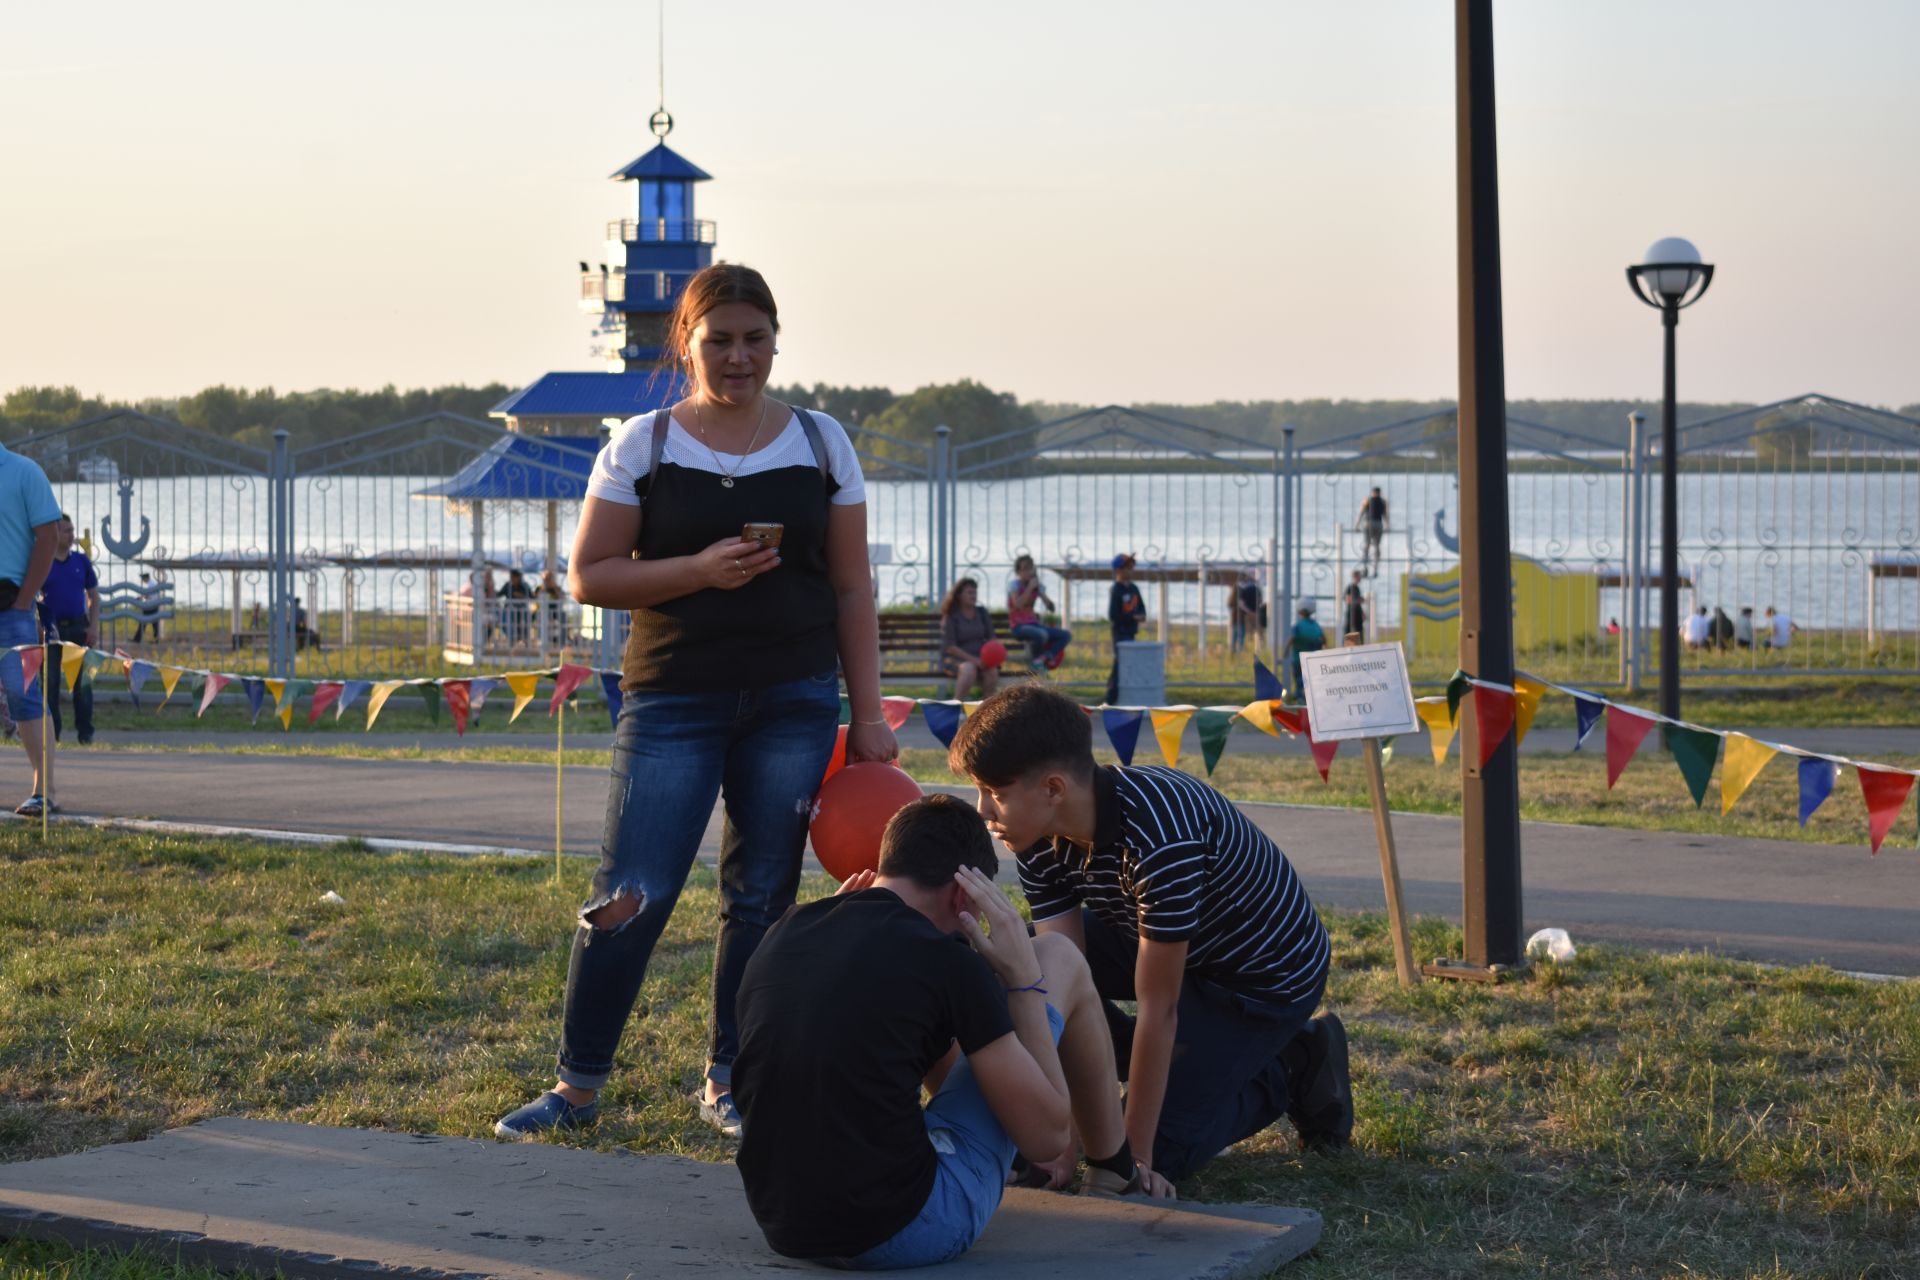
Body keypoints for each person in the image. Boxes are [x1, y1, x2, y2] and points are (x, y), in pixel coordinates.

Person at [495, 262, 896, 1141]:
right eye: (719, 340)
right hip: (673, 699)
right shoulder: (644, 443)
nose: (739, 357)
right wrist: (697, 572)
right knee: (630, 893)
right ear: (688, 342)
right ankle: (576, 1088)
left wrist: (866, 717)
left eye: (755, 339)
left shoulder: (822, 443)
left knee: (761, 898)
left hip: (794, 701)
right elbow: (590, 575)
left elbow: (852, 587)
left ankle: (729, 1079)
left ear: (777, 340)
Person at [733, 796, 1172, 1268]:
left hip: (782, 1222)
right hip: (904, 1228)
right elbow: (1047, 1138)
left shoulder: (787, 929)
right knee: (1057, 958)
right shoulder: (945, 959)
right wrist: (1023, 983)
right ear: (964, 896)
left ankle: (1033, 1158)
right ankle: (1115, 1172)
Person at [949, 685, 1351, 1187]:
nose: (983, 811)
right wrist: (1061, 1140)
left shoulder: (1160, 838)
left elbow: (1159, 1007)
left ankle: (1295, 1063)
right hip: (1167, 941)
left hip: (1260, 978)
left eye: (996, 793)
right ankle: (1156, 1062)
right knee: (1022, 959)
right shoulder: (1035, 833)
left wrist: (1127, 1158)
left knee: (1158, 1154)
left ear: (1053, 789)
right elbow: (1062, 980)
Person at [0, 436, 62, 816]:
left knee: (24, 695)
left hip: (11, 605)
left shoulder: (24, 472)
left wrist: (25, 601)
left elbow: (49, 538)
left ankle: (45, 790)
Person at [36, 514, 97, 745]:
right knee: (50, 685)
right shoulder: (44, 561)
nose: (72, 535)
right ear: (55, 533)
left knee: (82, 685)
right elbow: (35, 595)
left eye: (72, 530)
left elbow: (93, 596)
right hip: (51, 631)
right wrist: (38, 627)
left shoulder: (81, 561)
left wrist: (93, 626)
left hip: (78, 628)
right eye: (66, 531)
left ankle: (85, 734)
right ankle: (54, 735)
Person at [1005, 554, 1071, 671]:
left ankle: (1044, 657)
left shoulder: (1037, 587)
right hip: (1019, 627)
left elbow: (1051, 608)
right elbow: (1017, 605)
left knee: (1065, 635)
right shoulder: (1014, 586)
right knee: (1042, 634)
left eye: (1030, 568)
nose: (1028, 572)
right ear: (1018, 572)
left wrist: (1042, 595)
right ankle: (1035, 660)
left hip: (1034, 625)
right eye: (1024, 569)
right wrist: (1029, 588)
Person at [941, 577, 1000, 700]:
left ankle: (986, 711)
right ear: (959, 596)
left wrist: (990, 658)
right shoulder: (952, 616)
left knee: (992, 672)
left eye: (975, 592)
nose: (973, 596)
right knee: (968, 669)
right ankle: (956, 706)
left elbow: (992, 638)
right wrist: (974, 660)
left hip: (981, 659)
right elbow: (951, 648)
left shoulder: (982, 612)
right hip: (956, 660)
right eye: (969, 593)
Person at [1104, 553, 1145, 704]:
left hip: (1131, 632)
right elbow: (1113, 615)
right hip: (1120, 633)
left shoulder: (1134, 588)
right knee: (1121, 663)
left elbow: (1141, 608)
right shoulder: (1116, 589)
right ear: (1118, 571)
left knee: (1125, 664)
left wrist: (1140, 616)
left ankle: (1116, 695)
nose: (1131, 570)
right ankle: (1111, 697)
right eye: (1127, 567)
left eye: (1131, 567)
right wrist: (1132, 617)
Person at [1280, 600, 1326, 700]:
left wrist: (1286, 650)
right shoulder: (1315, 625)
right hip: (1312, 658)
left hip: (1298, 657)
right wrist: (1325, 650)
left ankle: (1299, 696)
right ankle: (1311, 697)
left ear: (1299, 612)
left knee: (1299, 678)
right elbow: (1323, 638)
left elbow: (1292, 638)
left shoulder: (1298, 626)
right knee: (1312, 678)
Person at [1354, 486, 1388, 576]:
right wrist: (1387, 525)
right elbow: (1385, 515)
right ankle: (1373, 568)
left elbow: (1361, 513)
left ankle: (1367, 568)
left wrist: (1357, 525)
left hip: (1369, 524)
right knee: (1375, 546)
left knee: (1368, 545)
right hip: (1377, 524)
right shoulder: (1382, 501)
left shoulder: (1367, 500)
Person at [500, 567, 539, 646]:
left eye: (514, 577)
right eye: (511, 577)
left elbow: (532, 597)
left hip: (522, 611)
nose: (512, 579)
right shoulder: (508, 586)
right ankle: (512, 640)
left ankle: (524, 640)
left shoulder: (524, 586)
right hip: (509, 611)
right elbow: (499, 594)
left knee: (524, 622)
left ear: (519, 577)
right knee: (507, 621)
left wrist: (522, 596)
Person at [1231, 569, 1263, 653]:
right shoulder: (1257, 589)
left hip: (1246, 615)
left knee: (1242, 635)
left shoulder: (1243, 589)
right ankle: (1258, 650)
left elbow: (1241, 603)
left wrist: (1249, 612)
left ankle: (1237, 652)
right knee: (1257, 633)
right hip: (1255, 613)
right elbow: (1260, 602)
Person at [132, 571, 160, 642]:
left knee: (144, 622)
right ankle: (156, 639)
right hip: (153, 605)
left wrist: (140, 598)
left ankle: (137, 639)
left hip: (150, 606)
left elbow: (148, 595)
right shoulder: (152, 583)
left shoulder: (151, 585)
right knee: (154, 623)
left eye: (142, 578)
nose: (142, 580)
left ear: (146, 578)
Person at [1341, 570, 1366, 641]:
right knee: (1348, 632)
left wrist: (1362, 613)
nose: (1360, 578)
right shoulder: (1350, 587)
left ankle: (1360, 647)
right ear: (1355, 577)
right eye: (1359, 576)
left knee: (1359, 633)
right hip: (1351, 613)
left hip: (1358, 614)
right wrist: (1358, 600)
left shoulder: (1357, 588)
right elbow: (1348, 600)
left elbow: (1357, 602)